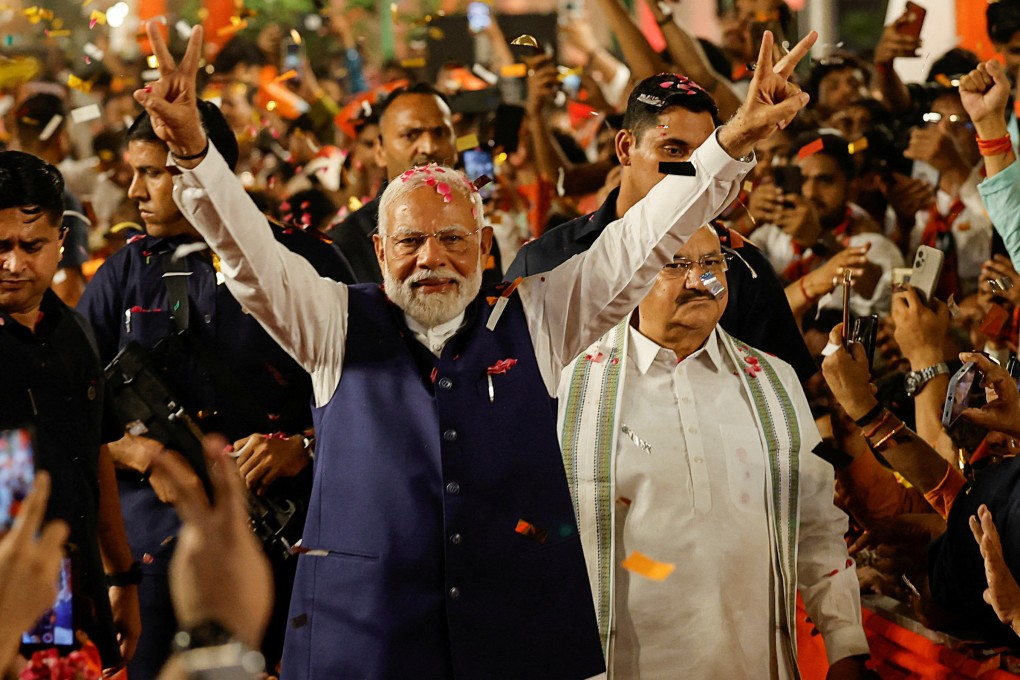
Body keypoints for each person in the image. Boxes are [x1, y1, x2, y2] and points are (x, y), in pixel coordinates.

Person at [132, 21, 814, 678]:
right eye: (410, 242)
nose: (433, 258)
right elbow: (249, 257)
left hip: (516, 642)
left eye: (454, 239)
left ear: (487, 247)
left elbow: (642, 240)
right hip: (363, 643)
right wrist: (195, 153)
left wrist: (734, 140)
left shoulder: (541, 315)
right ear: (377, 251)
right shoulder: (331, 321)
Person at [77, 100, 354, 679]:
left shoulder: (303, 259)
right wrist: (137, 453)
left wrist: (301, 445)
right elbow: (73, 411)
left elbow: (366, 394)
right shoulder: (121, 274)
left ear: (208, 172)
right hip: (152, 549)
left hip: (286, 541)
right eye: (134, 173)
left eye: (153, 172)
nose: (134, 191)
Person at [558, 225, 870, 678]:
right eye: (676, 264)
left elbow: (817, 527)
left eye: (711, 264)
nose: (698, 280)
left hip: (754, 664)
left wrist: (847, 647)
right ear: (627, 277)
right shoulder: (572, 386)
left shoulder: (773, 381)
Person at [505, 73, 817, 381]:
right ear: (626, 148)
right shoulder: (546, 261)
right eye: (674, 151)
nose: (692, 172)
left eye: (704, 156)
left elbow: (784, 389)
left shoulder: (740, 268)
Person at [0, 150, 139, 671]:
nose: (14, 263)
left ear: (62, 241)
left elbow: (95, 454)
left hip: (81, 595)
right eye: (0, 246)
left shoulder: (76, 332)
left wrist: (123, 575)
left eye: (30, 245)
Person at [325, 83, 502, 286]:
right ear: (380, 150)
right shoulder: (345, 245)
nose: (428, 147)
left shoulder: (476, 232)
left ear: (455, 144)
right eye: (410, 135)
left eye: (439, 133)